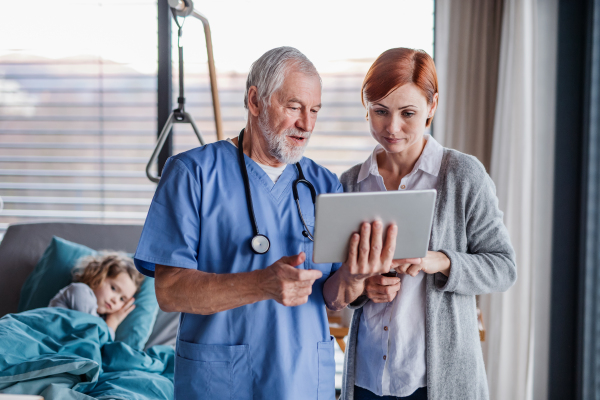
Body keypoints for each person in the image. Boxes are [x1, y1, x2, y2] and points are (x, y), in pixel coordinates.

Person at [133, 46, 398, 400]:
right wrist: (261, 284)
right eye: (294, 107)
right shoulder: (191, 174)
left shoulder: (323, 184)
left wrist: (354, 278)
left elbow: (333, 297)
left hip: (303, 378)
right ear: (255, 101)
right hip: (221, 381)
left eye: (314, 110)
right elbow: (169, 291)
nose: (306, 124)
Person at [323, 48, 517, 400]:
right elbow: (337, 281)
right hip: (367, 378)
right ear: (365, 106)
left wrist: (438, 260)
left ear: (432, 106)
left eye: (407, 113)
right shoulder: (350, 183)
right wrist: (366, 289)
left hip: (436, 383)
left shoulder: (462, 176)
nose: (392, 127)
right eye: (380, 111)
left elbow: (503, 267)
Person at [49, 252, 143, 339]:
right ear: (99, 276)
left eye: (122, 299)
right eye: (113, 288)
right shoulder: (81, 291)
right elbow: (94, 338)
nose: (115, 300)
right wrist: (113, 322)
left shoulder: (102, 319)